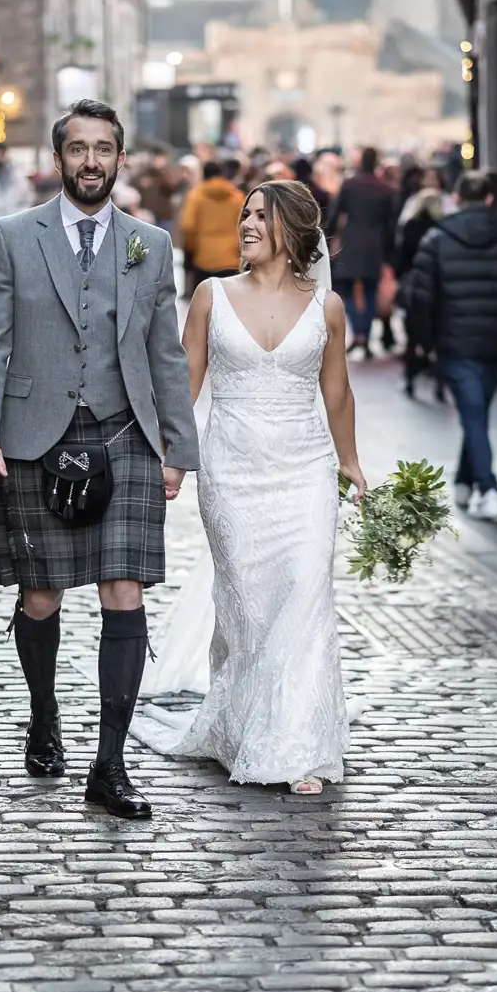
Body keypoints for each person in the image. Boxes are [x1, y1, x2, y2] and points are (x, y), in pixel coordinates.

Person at [0, 98, 199, 822]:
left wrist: (177, 449)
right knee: (41, 596)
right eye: (78, 149)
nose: (91, 161)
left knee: (124, 591)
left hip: (124, 436)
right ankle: (43, 712)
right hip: (35, 438)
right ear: (58, 158)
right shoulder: (11, 236)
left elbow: (165, 354)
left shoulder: (149, 244)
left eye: (104, 149)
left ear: (119, 159)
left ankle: (110, 762)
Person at [132, 179, 361, 794]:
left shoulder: (326, 307)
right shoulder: (210, 296)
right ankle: (243, 726)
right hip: (232, 471)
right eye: (246, 215)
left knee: (305, 595)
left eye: (262, 216)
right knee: (251, 607)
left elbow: (336, 391)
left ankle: (297, 745)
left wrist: (351, 462)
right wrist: (173, 459)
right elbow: (186, 386)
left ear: (293, 230)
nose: (248, 225)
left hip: (305, 469)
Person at [404, 168, 497, 521]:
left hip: (455, 341)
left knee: (473, 412)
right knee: (475, 411)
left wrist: (426, 341)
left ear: (457, 198)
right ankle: (465, 481)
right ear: (490, 198)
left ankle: (486, 486)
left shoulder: (437, 239)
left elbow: (420, 296)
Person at [326, 146, 398, 356]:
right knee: (369, 289)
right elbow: (390, 224)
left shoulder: (350, 184)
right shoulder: (385, 188)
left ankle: (358, 332)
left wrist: (326, 237)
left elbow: (336, 213)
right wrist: (390, 254)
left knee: (346, 288)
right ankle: (363, 333)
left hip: (352, 241)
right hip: (376, 244)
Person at [393, 166, 448, 400]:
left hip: (415, 288)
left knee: (413, 336)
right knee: (438, 336)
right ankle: (439, 384)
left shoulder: (410, 226)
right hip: (439, 289)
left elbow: (402, 258)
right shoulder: (444, 230)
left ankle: (409, 379)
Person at [178, 160, 245, 298]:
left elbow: (188, 225)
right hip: (230, 258)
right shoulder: (236, 196)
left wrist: (192, 248)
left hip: (204, 257)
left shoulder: (196, 196)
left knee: (205, 305)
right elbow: (244, 224)